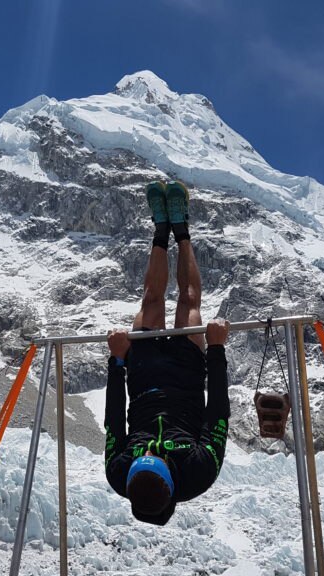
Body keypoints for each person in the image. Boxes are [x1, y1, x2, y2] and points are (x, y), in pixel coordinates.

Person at [104, 179, 231, 526]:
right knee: (188, 302)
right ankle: (182, 228)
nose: (147, 450)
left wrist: (117, 361)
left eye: (140, 457)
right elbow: (218, 414)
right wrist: (216, 349)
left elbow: (113, 421)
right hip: (186, 379)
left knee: (150, 301)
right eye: (154, 457)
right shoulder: (199, 473)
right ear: (169, 477)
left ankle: (161, 229)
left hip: (143, 379)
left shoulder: (118, 473)